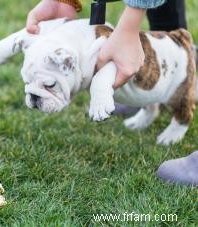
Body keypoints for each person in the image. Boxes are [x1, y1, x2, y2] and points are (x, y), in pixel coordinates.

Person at [26, 0, 198, 186]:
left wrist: (129, 27)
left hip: (176, 63)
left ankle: (181, 121)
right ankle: (149, 106)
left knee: (178, 93)